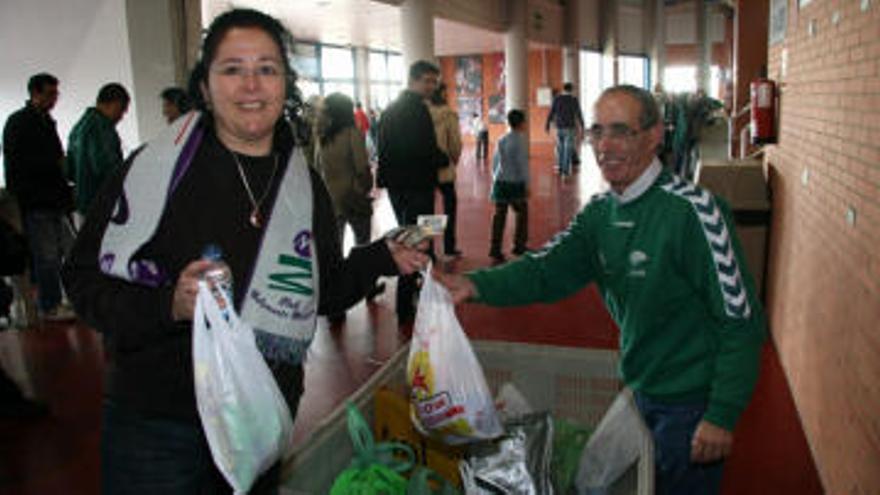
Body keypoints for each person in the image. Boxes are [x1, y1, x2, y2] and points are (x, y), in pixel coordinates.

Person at [62, 9, 428, 495]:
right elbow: (82, 277)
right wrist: (168, 304)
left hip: (261, 417)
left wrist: (381, 257)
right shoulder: (152, 171)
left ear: (285, 84)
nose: (251, 85)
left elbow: (320, 292)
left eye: (267, 69)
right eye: (233, 68)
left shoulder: (303, 186)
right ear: (206, 86)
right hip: (160, 422)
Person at [435, 85, 766, 495]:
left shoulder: (694, 212)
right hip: (641, 389)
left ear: (654, 135)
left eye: (621, 131)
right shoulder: (599, 214)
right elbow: (546, 269)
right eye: (597, 132)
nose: (605, 146)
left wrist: (721, 414)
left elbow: (741, 321)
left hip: (692, 402)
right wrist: (475, 284)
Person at [376, 60, 448, 325]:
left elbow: (383, 148)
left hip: (397, 186)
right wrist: (443, 159)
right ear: (413, 80)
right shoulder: (418, 110)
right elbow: (425, 147)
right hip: (419, 184)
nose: (431, 87)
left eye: (434, 82)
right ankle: (409, 302)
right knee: (421, 240)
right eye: (427, 81)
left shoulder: (390, 109)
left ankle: (416, 295)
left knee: (409, 235)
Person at [2, 72, 74, 320]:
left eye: (56, 93)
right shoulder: (20, 123)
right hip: (37, 200)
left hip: (54, 198)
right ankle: (50, 304)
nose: (54, 98)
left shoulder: (45, 122)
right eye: (50, 93)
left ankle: (64, 299)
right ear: (35, 93)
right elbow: (15, 164)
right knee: (47, 256)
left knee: (66, 250)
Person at [314, 92, 385, 323]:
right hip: (352, 197)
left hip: (329, 201)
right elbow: (362, 166)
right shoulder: (351, 133)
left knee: (333, 252)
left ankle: (335, 308)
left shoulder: (322, 135)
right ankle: (368, 289)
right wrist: (365, 189)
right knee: (363, 245)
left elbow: (317, 168)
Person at [66, 82, 130, 220]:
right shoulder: (101, 127)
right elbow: (106, 166)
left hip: (83, 204)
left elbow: (70, 170)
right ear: (112, 103)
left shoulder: (78, 127)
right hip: (101, 203)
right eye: (121, 109)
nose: (121, 116)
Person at [488, 109, 529, 263]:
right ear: (521, 123)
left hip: (500, 182)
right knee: (522, 213)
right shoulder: (520, 140)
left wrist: (495, 177)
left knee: (499, 216)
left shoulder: (502, 138)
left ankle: (495, 249)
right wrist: (526, 183)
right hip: (514, 183)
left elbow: (495, 162)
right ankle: (519, 245)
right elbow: (522, 164)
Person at [427, 83, 463, 258]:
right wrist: (453, 160)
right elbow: (455, 143)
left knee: (428, 210)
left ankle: (430, 250)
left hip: (426, 169)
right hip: (444, 168)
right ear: (441, 94)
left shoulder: (422, 113)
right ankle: (449, 247)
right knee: (449, 208)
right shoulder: (448, 114)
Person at [545, 82, 585, 177]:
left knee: (560, 148)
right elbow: (579, 114)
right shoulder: (574, 100)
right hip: (570, 127)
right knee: (567, 149)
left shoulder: (557, 99)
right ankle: (565, 170)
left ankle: (560, 167)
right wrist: (582, 125)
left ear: (563, 89)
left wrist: (547, 125)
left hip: (559, 127)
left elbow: (551, 113)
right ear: (571, 90)